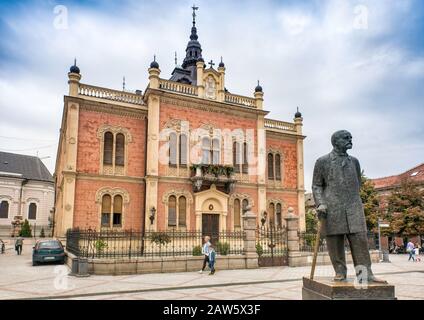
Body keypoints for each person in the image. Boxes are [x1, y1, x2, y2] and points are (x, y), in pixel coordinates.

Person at [312, 130, 386, 283]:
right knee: (335, 242)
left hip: (353, 207)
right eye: (346, 138)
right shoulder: (322, 161)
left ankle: (365, 274)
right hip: (332, 208)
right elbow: (316, 186)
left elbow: (357, 183)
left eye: (351, 137)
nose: (350, 140)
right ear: (335, 141)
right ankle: (340, 272)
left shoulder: (355, 161)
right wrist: (321, 203)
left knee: (360, 239)